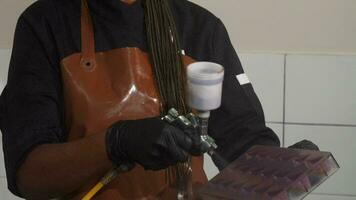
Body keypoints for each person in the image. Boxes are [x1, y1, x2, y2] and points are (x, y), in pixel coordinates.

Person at [0, 0, 281, 199]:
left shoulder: (200, 29)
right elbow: (29, 175)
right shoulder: (46, 24)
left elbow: (244, 139)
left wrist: (283, 168)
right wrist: (116, 143)